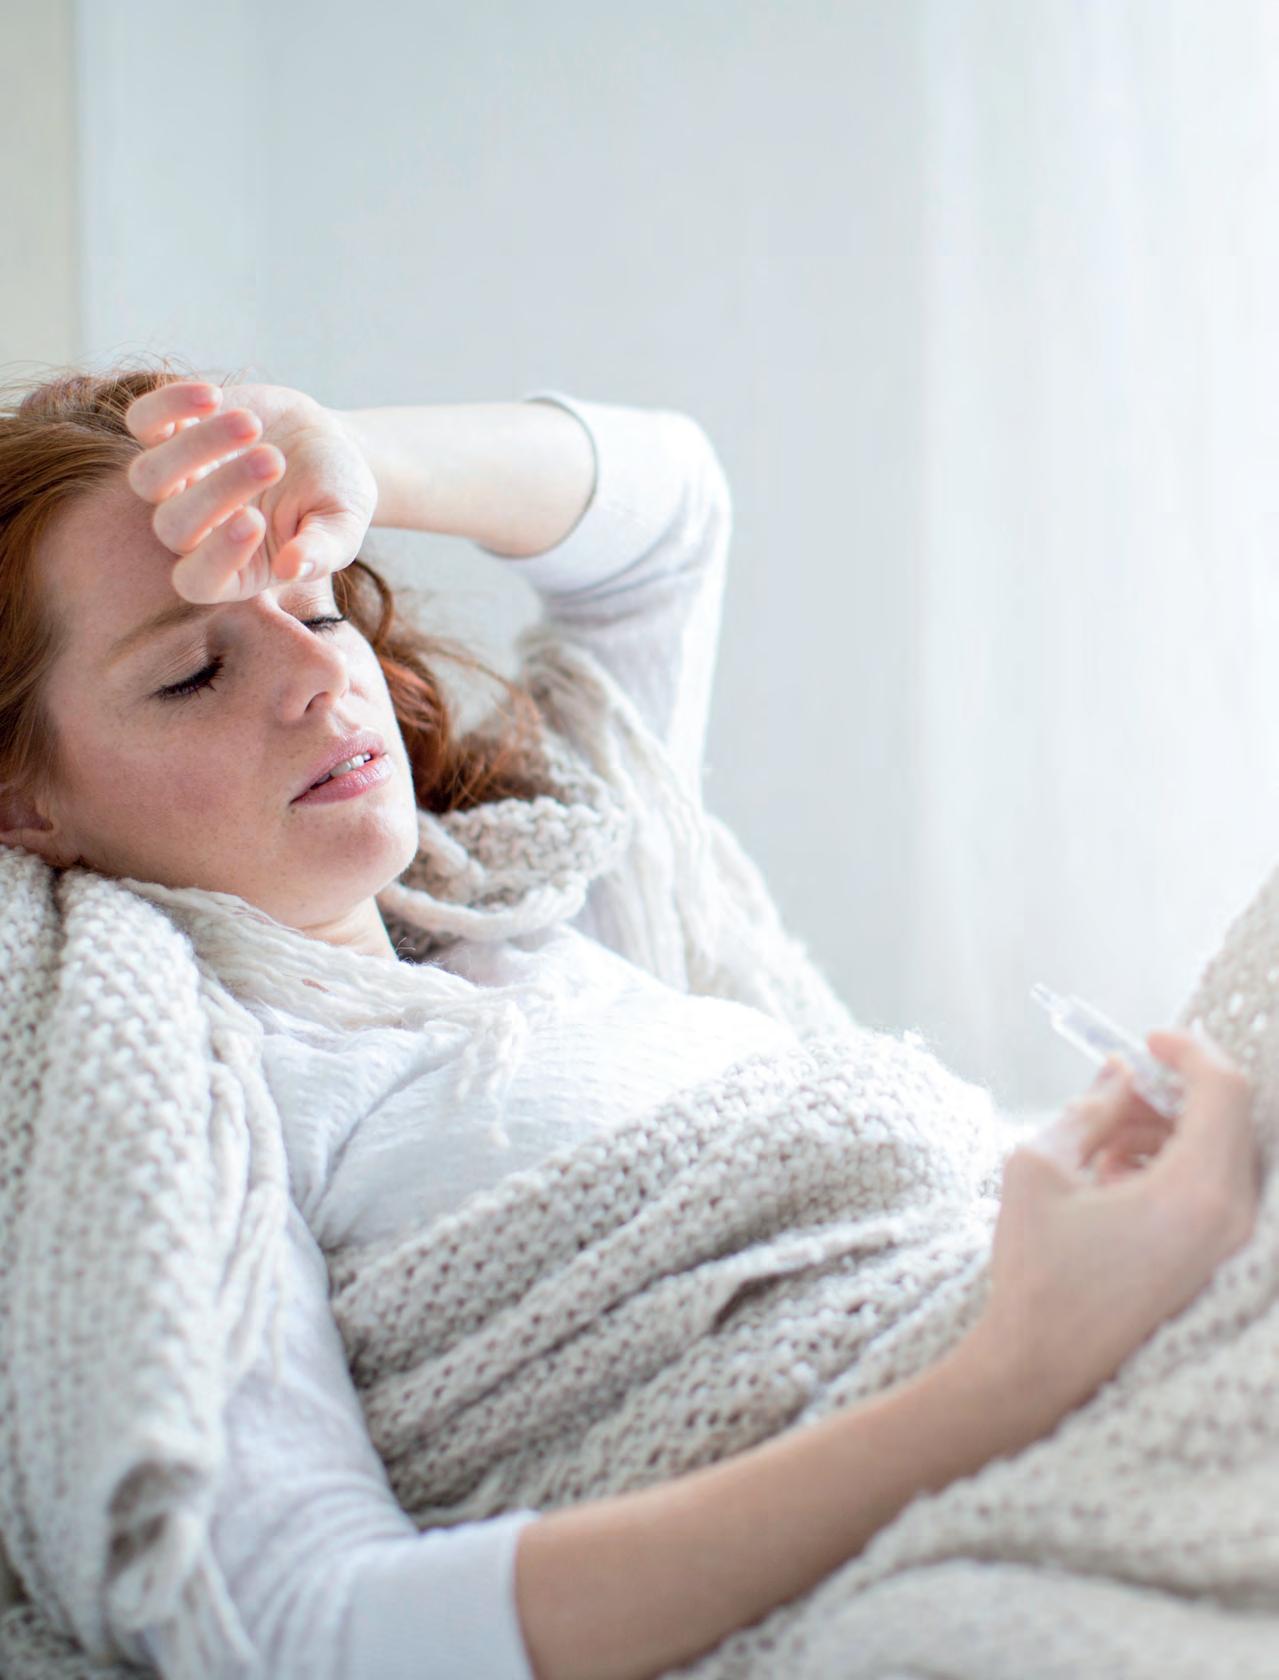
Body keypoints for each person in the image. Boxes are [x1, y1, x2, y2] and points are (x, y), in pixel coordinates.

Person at [0, 363, 1259, 1680]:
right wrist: (1023, 1363)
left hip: (1059, 1306)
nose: (322, 675)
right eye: (196, 673)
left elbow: (666, 520)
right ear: (24, 802)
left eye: (320, 604)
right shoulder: (175, 1106)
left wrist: (349, 455)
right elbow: (312, 1630)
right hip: (965, 1477)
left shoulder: (547, 890)